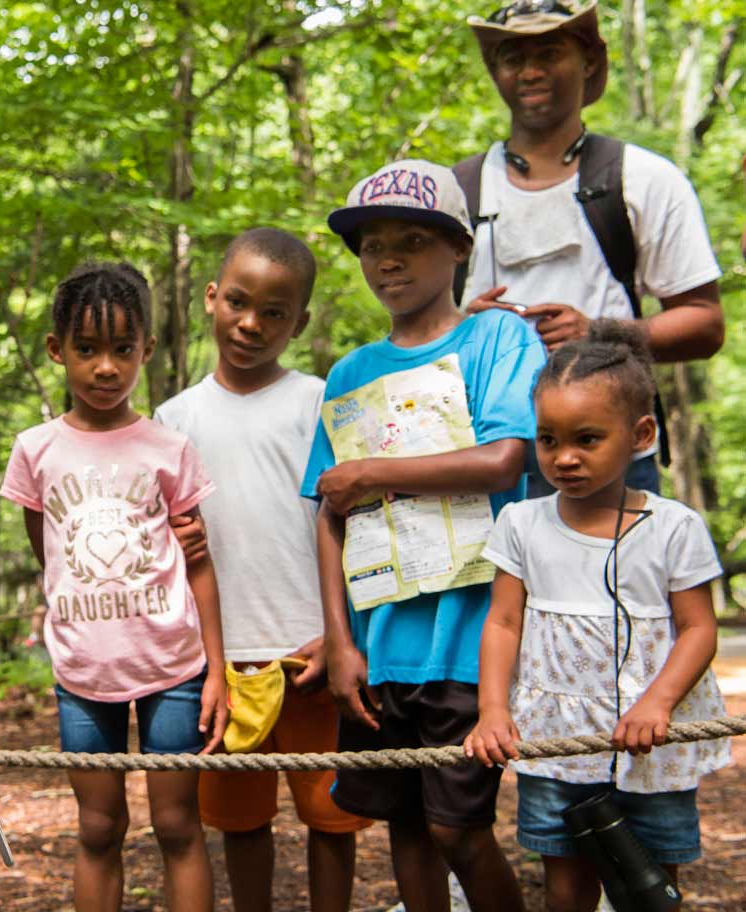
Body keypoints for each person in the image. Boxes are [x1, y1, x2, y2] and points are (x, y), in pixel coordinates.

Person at [303, 159, 547, 912]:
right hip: (380, 645)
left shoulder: (495, 341)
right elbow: (329, 510)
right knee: (402, 826)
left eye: (413, 240)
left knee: (458, 829)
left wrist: (375, 471)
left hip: (470, 640)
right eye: (374, 246)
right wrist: (340, 642)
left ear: (459, 250)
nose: (390, 259)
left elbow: (506, 458)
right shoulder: (349, 374)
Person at [464, 321, 730, 912]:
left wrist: (657, 703)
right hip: (556, 738)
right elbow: (503, 623)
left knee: (651, 886)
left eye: (587, 439)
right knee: (565, 883)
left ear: (640, 434)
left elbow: (698, 628)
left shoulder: (674, 527)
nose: (565, 458)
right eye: (548, 439)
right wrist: (493, 710)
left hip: (652, 745)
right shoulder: (522, 524)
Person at [0, 261, 228, 912]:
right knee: (99, 828)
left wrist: (216, 671)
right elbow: (47, 548)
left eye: (123, 350)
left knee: (178, 824)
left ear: (146, 352)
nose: (106, 367)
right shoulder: (35, 451)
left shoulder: (170, 448)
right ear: (56, 351)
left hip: (173, 666)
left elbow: (199, 562)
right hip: (81, 673)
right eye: (88, 349)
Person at [154, 228, 372, 912]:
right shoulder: (174, 417)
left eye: (274, 312)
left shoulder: (320, 403)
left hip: (312, 652)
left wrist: (345, 635)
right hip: (221, 665)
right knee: (240, 822)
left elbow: (354, 523)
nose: (251, 323)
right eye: (239, 303)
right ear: (212, 299)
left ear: (299, 322)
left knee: (331, 820)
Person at [460, 0, 724, 496]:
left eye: (550, 52)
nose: (531, 71)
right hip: (485, 458)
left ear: (587, 62)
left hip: (613, 458)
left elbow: (705, 325)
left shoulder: (645, 179)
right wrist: (465, 329)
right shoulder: (459, 191)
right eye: (513, 57)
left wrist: (598, 332)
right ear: (495, 72)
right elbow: (416, 332)